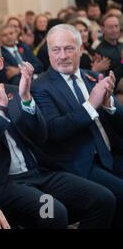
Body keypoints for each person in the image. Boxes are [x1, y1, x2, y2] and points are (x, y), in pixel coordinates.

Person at [0, 38, 115, 228]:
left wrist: (27, 99)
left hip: (38, 172)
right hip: (4, 181)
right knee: (53, 213)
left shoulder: (15, 90)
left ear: (0, 63)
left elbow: (41, 136)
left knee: (104, 199)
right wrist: (0, 109)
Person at [32, 24, 123, 228]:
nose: (62, 55)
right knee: (118, 194)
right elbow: (55, 130)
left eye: (69, 48)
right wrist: (91, 105)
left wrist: (108, 105)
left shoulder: (92, 77)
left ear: (81, 50)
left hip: (110, 154)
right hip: (78, 162)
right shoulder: (40, 87)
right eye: (56, 50)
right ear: (48, 53)